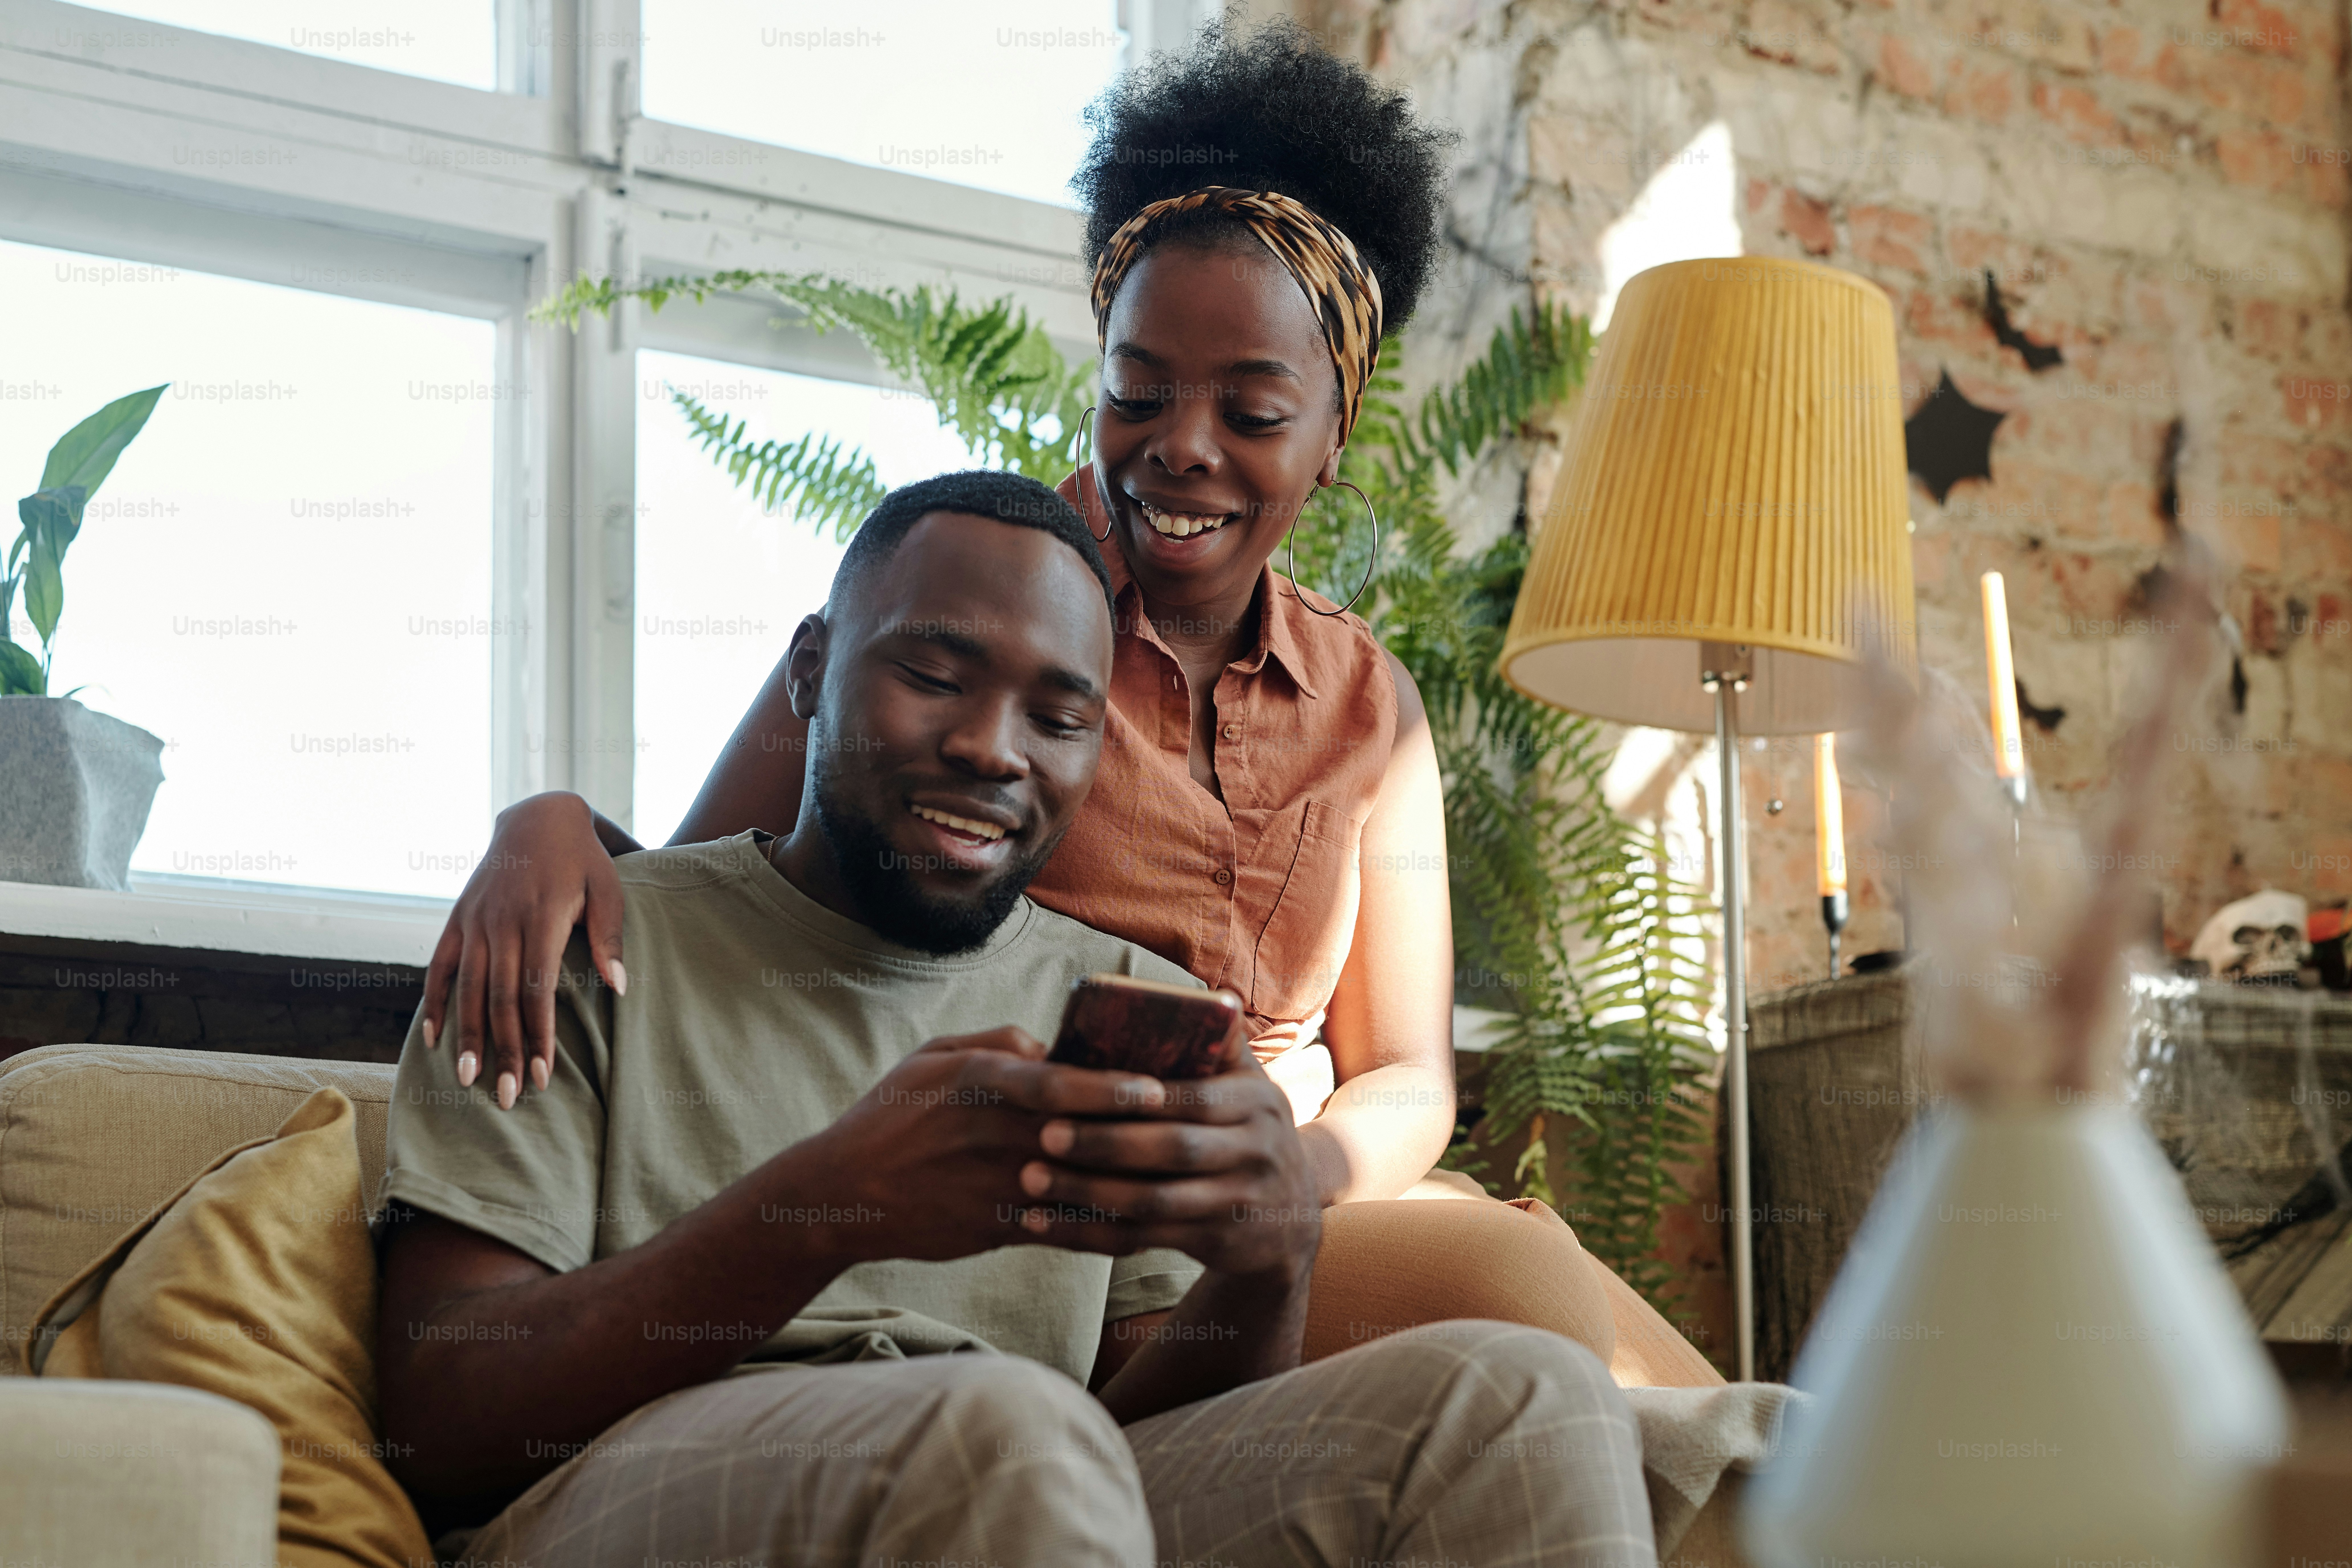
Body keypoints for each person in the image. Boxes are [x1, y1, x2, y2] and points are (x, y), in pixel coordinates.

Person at [415, 18, 1717, 1387]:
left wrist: (1287, 1166)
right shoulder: (967, 616)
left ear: (1338, 430)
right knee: (1532, 1303)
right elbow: (719, 906)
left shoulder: (1373, 711)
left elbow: (1407, 1074)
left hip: (1272, 1211)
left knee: (1708, 1410)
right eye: (1139, 391)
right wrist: (543, 820)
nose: (1184, 445)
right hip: (1030, 1221)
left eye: (1254, 412)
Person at [375, 472, 1658, 1568]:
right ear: (814, 668)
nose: (997, 749)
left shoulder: (1138, 1010)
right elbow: (438, 1415)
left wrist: (1272, 1263)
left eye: (1059, 717)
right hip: (627, 1490)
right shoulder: (578, 937)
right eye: (935, 675)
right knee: (1010, 1429)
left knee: (1526, 1393)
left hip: (1031, 1485)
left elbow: (1144, 1417)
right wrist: (827, 1205)